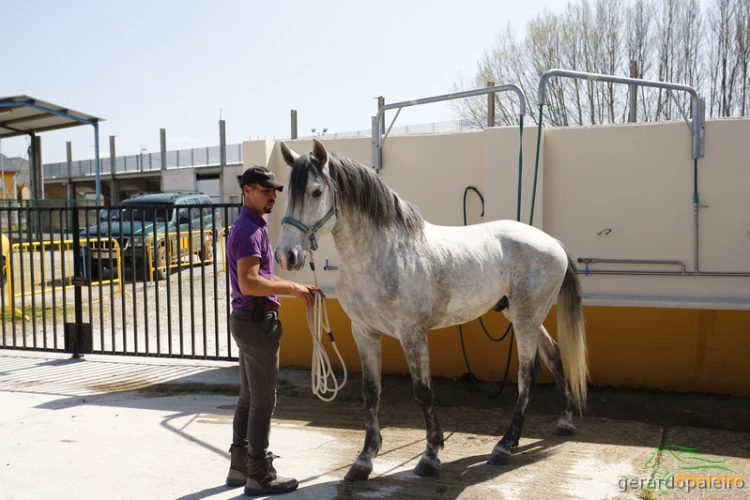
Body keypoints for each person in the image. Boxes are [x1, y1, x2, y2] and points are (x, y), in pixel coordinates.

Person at [225, 165, 318, 496]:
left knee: (249, 399)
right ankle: (260, 474)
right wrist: (294, 288)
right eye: (266, 190)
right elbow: (250, 282)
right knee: (263, 402)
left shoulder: (249, 227)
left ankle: (239, 467)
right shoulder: (249, 231)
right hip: (256, 322)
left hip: (247, 320)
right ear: (248, 190)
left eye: (275, 191)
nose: (273, 196)